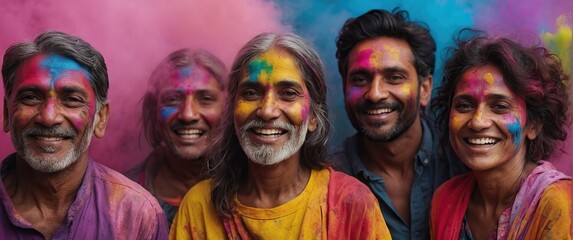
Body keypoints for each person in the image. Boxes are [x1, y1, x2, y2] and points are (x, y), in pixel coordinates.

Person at [170, 32, 391, 239]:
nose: (267, 110)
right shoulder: (199, 206)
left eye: (288, 94)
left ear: (313, 116)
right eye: (250, 93)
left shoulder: (350, 203)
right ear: (232, 110)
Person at [0, 31, 168, 239]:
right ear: (7, 113)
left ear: (100, 118)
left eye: (71, 99)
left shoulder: (136, 215)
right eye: (31, 97)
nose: (49, 117)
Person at [330, 8, 465, 239]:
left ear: (425, 89)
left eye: (394, 77)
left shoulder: (466, 160)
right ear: (344, 88)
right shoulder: (327, 181)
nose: (375, 94)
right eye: (360, 79)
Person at [430, 32, 572, 239]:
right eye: (464, 105)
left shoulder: (556, 202)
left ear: (533, 125)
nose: (478, 121)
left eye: (499, 106)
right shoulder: (445, 200)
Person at [125, 48, 226, 226]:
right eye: (173, 99)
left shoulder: (252, 187)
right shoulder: (123, 196)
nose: (188, 115)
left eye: (205, 99)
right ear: (153, 109)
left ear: (228, 109)